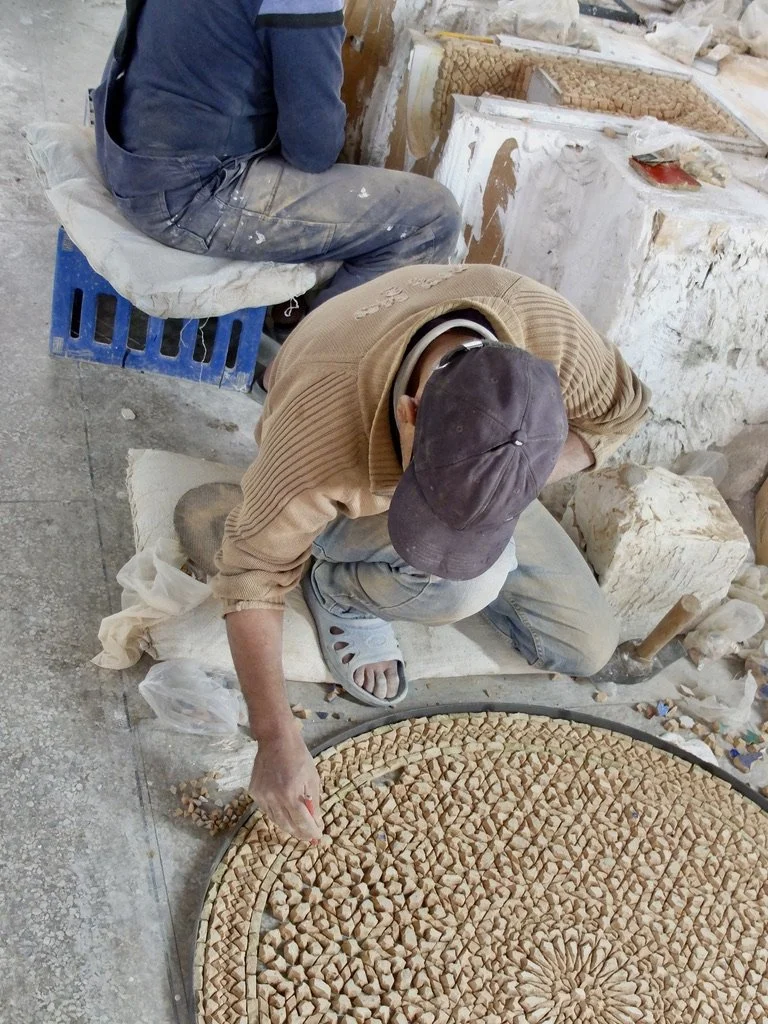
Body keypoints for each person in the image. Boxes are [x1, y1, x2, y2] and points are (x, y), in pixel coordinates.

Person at [175, 264, 650, 842]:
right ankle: (336, 586)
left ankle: (469, 503)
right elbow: (252, 575)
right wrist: (275, 736)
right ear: (411, 413)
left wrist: (501, 484)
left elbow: (623, 410)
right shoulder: (320, 440)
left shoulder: (549, 330)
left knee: (585, 646)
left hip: (480, 464)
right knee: (470, 581)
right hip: (335, 405)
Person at [92, 0, 461, 308]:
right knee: (430, 218)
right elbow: (313, 150)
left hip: (125, 146)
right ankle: (308, 365)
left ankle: (293, 311)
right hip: (183, 194)